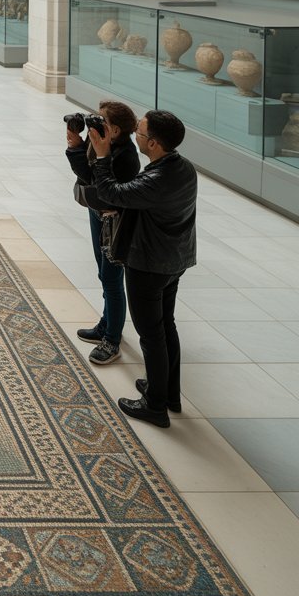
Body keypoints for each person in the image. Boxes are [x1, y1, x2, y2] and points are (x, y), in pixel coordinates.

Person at [89, 110, 197, 428]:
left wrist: (102, 155)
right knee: (166, 326)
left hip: (149, 264)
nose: (135, 132)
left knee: (151, 335)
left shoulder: (156, 180)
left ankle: (154, 406)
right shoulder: (183, 167)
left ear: (152, 143)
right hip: (174, 260)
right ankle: (168, 392)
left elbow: (110, 193)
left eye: (140, 130)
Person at [66, 101, 140, 366]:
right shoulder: (103, 143)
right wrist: (76, 145)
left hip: (114, 219)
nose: (95, 123)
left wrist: (101, 154)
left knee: (111, 278)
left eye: (101, 120)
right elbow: (86, 176)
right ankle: (106, 323)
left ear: (116, 130)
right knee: (103, 272)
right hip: (97, 212)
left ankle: (112, 339)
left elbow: (102, 184)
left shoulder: (125, 156)